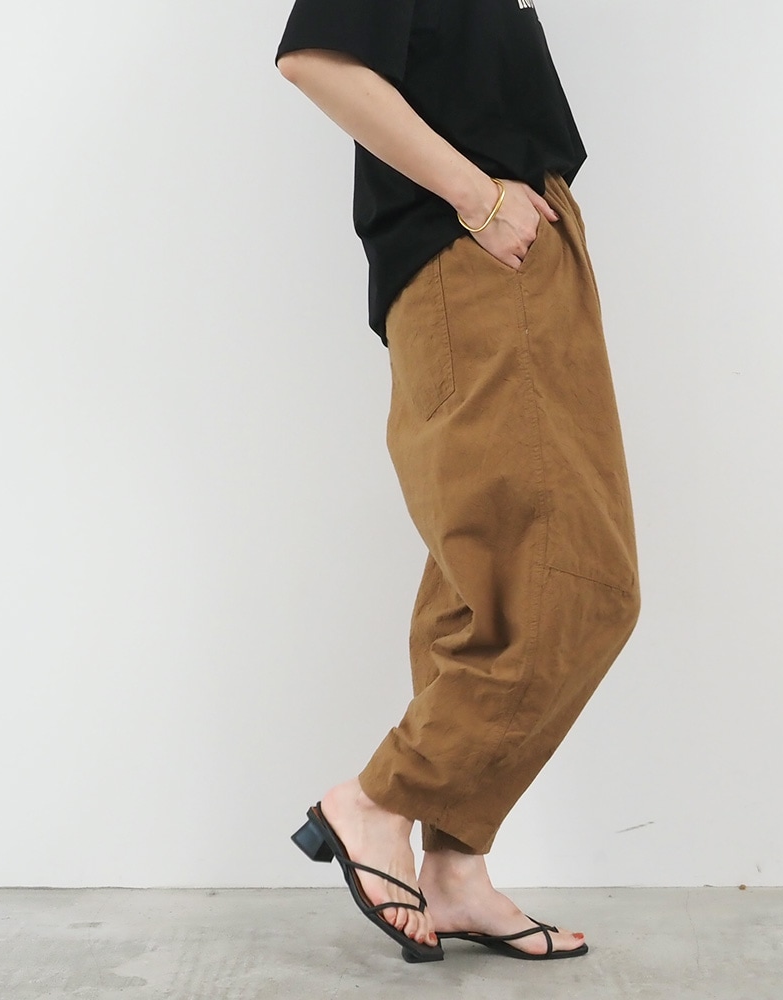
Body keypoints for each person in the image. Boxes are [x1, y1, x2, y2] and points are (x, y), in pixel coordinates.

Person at [274, 0, 640, 964]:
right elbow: (317, 58)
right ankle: (373, 803)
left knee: (480, 593)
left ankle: (455, 869)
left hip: (518, 250)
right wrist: (480, 201)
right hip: (473, 252)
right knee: (574, 586)